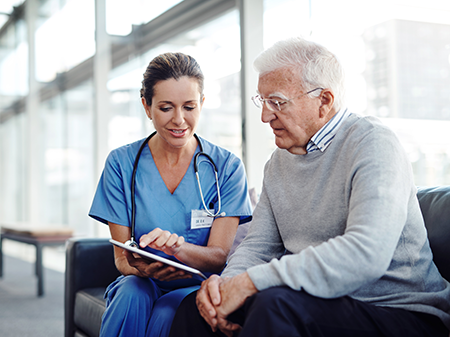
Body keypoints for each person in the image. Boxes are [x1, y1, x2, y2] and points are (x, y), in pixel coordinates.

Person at [168, 37, 450, 337]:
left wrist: (251, 282)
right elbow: (259, 246)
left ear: (324, 101)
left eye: (276, 102)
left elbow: (367, 254)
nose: (265, 116)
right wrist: (226, 286)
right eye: (262, 101)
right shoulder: (278, 163)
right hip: (317, 304)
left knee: (273, 305)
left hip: (399, 311)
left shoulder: (373, 143)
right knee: (194, 309)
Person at [88, 52, 253, 337]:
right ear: (146, 106)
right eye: (166, 108)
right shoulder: (121, 164)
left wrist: (176, 251)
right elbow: (121, 259)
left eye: (189, 107)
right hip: (140, 281)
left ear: (202, 104)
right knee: (131, 294)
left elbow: (219, 256)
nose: (179, 120)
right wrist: (143, 268)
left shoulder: (226, 167)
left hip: (196, 283)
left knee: (168, 311)